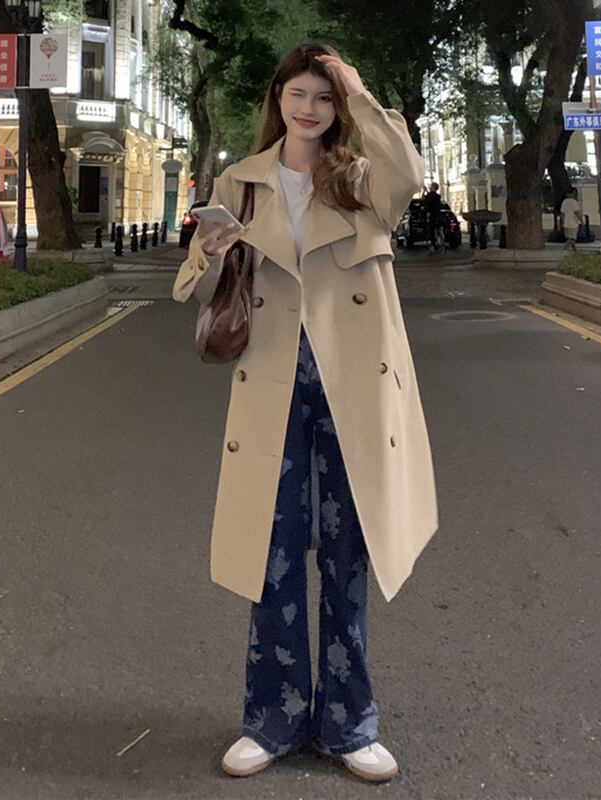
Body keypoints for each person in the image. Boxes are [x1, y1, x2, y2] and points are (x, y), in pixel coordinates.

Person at [172, 42, 438, 784]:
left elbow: (411, 173)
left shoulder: (363, 178)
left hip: (355, 389)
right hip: (274, 386)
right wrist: (213, 251)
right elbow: (193, 286)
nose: (311, 108)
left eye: (326, 96)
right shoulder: (241, 181)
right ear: (278, 99)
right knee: (273, 554)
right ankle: (273, 719)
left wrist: (358, 85)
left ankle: (350, 723)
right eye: (300, 93)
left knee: (347, 556)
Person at [560, 187, 583, 252]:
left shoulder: (564, 202)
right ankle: (565, 249)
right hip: (573, 223)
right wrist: (581, 220)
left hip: (566, 223)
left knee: (570, 238)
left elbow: (562, 213)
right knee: (571, 238)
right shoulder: (574, 202)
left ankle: (575, 251)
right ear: (574, 193)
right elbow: (577, 212)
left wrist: (563, 222)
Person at [422, 181, 442, 253]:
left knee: (431, 230)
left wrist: (424, 191)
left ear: (433, 187)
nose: (430, 187)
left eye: (431, 186)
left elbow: (423, 200)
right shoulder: (438, 196)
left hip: (431, 215)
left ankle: (433, 245)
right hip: (438, 215)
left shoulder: (429, 195)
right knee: (437, 227)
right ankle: (439, 238)